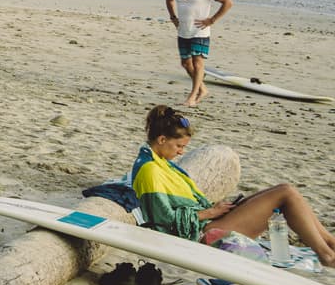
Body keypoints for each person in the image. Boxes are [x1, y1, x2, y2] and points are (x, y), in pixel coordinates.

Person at [134, 105, 335, 267]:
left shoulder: (161, 165)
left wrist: (215, 209)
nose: (181, 153)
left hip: (207, 223)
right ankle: (327, 254)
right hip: (202, 233)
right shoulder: (150, 170)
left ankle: (329, 245)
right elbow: (163, 220)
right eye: (179, 146)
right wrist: (210, 212)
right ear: (162, 140)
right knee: (286, 194)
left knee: (282, 189)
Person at [166, 0, 232, 107]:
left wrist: (212, 20)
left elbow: (227, 2)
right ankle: (202, 89)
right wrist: (173, 17)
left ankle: (192, 97)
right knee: (185, 63)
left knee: (198, 63)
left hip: (200, 31)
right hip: (183, 31)